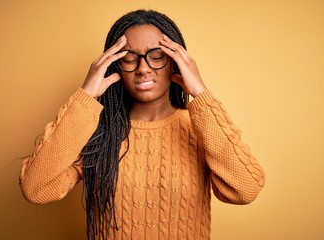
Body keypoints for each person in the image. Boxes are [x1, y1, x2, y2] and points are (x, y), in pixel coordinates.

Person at [19, 9, 265, 240]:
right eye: (129, 59)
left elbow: (245, 190)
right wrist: (85, 97)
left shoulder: (200, 128)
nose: (143, 68)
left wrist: (200, 93)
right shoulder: (97, 131)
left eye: (157, 56)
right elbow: (35, 189)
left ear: (175, 62)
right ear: (114, 65)